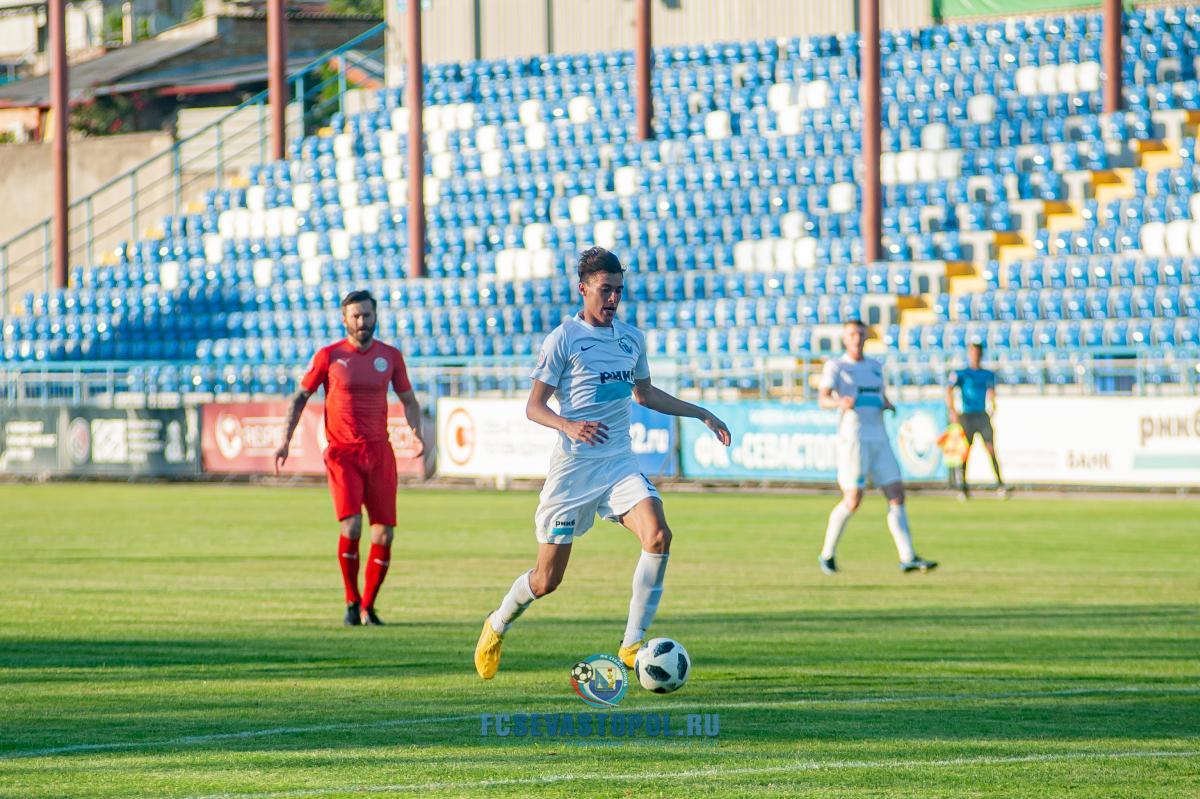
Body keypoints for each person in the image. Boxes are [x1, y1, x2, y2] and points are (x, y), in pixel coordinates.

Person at [474, 247, 732, 680]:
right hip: (573, 473)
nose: (613, 299)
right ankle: (497, 623)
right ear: (583, 289)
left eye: (619, 291)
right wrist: (568, 425)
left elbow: (645, 394)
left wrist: (701, 413)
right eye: (605, 290)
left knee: (658, 535)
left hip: (618, 464)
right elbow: (534, 407)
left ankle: (631, 645)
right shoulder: (563, 339)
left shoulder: (631, 340)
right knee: (546, 581)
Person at [275, 290, 423, 626]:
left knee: (384, 534)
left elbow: (409, 401)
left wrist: (416, 433)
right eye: (356, 316)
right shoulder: (329, 356)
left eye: (367, 315)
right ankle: (351, 601)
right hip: (343, 454)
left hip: (379, 452)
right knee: (352, 524)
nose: (362, 322)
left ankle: (368, 607)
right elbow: (300, 398)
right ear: (344, 320)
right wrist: (285, 440)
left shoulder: (390, 356)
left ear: (376, 316)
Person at [817, 319, 937, 575]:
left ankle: (907, 556)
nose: (857, 339)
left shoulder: (874, 366)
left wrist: (887, 404)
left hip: (880, 437)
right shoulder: (837, 366)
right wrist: (840, 403)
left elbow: (879, 395)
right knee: (853, 500)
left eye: (860, 334)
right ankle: (827, 554)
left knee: (897, 493)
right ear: (845, 339)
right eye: (852, 334)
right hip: (854, 439)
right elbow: (823, 399)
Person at [946, 342, 1006, 500]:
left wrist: (993, 403)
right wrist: (952, 410)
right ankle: (963, 488)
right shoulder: (962, 373)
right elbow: (949, 389)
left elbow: (991, 390)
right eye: (973, 353)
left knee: (991, 449)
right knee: (965, 452)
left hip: (982, 415)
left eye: (977, 353)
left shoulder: (987, 374)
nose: (975, 356)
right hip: (967, 416)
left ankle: (1000, 485)